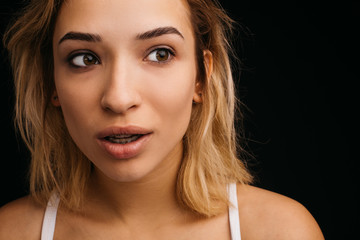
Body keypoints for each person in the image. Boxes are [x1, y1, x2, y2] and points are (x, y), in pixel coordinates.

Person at [0, 0, 324, 239]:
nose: (119, 98)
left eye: (160, 54)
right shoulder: (10, 231)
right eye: (85, 58)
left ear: (201, 76)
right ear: (51, 81)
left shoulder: (280, 231)